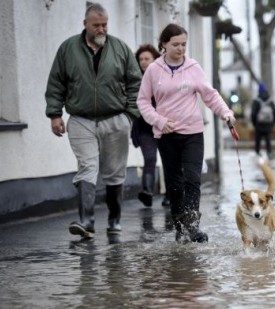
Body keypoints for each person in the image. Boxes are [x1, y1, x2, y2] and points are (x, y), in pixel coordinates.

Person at [45, 3, 142, 239]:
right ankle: (86, 222)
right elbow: (56, 83)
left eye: (104, 25)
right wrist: (55, 114)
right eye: (96, 25)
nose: (101, 29)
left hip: (115, 119)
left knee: (114, 171)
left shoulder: (119, 48)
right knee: (87, 167)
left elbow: (135, 83)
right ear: (85, 24)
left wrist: (129, 115)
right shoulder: (68, 49)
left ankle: (114, 220)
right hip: (81, 119)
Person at [137, 23, 235, 243]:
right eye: (175, 44)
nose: (181, 49)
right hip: (167, 135)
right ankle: (180, 226)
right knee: (174, 184)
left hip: (192, 133)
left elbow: (210, 95)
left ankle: (192, 226)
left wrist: (226, 113)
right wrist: (159, 121)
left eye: (184, 44)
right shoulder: (154, 70)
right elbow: (142, 101)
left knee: (192, 178)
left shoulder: (193, 68)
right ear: (164, 44)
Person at [131, 44, 171, 208]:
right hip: (145, 129)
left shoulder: (164, 76)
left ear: (154, 59)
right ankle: (147, 192)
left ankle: (170, 195)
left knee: (169, 161)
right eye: (140, 59)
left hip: (165, 127)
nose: (143, 62)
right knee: (150, 159)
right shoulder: (135, 80)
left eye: (147, 58)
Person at [251, 83, 275, 158]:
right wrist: (272, 124)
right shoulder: (270, 100)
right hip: (268, 124)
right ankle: (269, 153)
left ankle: (257, 153)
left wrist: (254, 124)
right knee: (268, 140)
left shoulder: (256, 101)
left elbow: (253, 114)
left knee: (258, 140)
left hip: (258, 124)